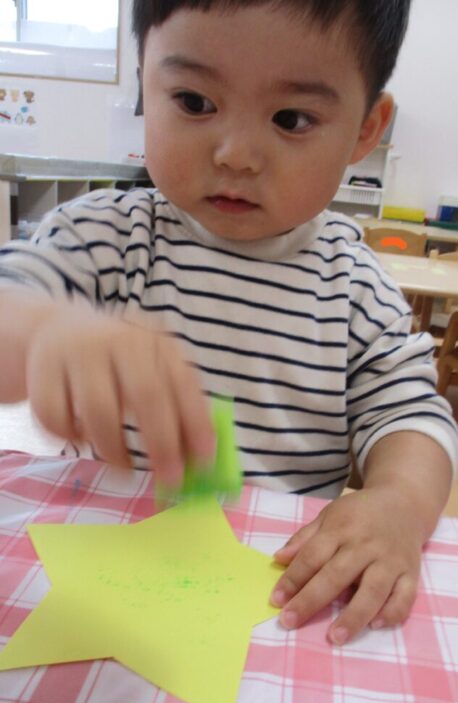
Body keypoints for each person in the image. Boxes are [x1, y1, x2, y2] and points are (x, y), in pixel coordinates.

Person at [0, 0, 456, 646]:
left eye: (291, 119)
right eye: (194, 102)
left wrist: (399, 504)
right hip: (107, 575)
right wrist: (44, 329)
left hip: (275, 596)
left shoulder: (356, 289)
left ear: (364, 131)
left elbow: (413, 418)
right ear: (144, 83)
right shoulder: (106, 241)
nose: (236, 154)